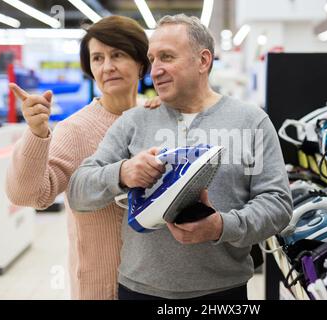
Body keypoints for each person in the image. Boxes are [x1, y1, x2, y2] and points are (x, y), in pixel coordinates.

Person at [68, 14, 292, 300]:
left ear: (203, 61)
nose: (155, 70)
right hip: (139, 290)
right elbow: (78, 191)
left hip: (222, 292)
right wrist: (122, 173)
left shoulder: (251, 122)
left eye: (167, 57)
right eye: (152, 59)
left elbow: (278, 205)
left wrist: (222, 226)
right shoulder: (134, 121)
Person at [5, 15, 161, 300]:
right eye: (98, 58)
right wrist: (37, 133)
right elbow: (30, 195)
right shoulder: (75, 129)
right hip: (102, 286)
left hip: (159, 283)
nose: (107, 67)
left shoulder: (156, 116)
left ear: (140, 63)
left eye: (118, 54)